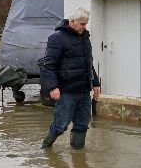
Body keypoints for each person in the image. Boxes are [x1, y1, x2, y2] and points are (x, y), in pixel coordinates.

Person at [41, 8, 100, 149]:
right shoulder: (57, 38)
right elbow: (49, 65)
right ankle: (45, 148)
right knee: (60, 126)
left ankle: (78, 156)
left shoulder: (85, 38)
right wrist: (53, 87)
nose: (84, 27)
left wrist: (95, 83)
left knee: (82, 125)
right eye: (82, 24)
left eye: (86, 24)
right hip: (66, 91)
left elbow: (89, 63)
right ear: (72, 22)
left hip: (84, 90)